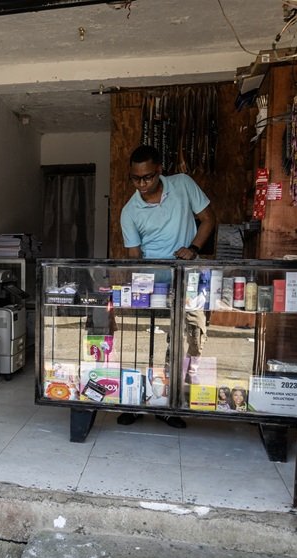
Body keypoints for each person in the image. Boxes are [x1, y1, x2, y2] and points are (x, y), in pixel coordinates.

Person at [117, 145, 216, 430]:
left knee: (186, 341)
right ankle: (138, 399)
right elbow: (135, 257)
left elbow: (209, 218)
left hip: (187, 280)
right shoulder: (130, 212)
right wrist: (139, 290)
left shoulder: (182, 185)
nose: (142, 184)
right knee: (144, 344)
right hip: (152, 285)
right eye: (136, 179)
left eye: (147, 177)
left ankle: (172, 403)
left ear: (160, 170)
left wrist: (194, 248)